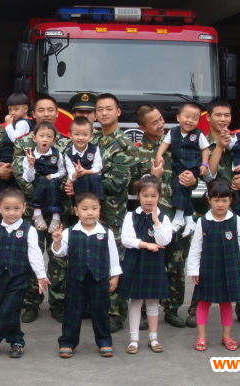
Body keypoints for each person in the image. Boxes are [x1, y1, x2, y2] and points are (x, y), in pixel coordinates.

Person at [190, 99, 240, 328]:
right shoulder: (202, 143)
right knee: (207, 257)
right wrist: (219, 146)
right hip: (217, 207)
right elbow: (208, 176)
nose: (223, 119)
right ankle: (195, 307)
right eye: (218, 115)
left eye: (227, 115)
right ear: (208, 117)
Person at [131, 104, 196, 329]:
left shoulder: (176, 143)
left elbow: (193, 167)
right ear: (142, 127)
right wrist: (151, 176)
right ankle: (140, 311)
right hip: (149, 219)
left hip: (176, 216)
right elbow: (131, 186)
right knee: (145, 265)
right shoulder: (137, 151)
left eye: (161, 119)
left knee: (176, 265)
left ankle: (172, 309)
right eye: (154, 122)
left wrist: (193, 179)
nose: (160, 125)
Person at [13, 96, 73, 324]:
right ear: (33, 114)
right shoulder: (22, 143)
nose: (46, 113)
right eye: (41, 110)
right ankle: (31, 303)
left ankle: (59, 303)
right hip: (32, 210)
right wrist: (42, 191)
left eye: (51, 110)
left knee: (60, 259)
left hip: (60, 209)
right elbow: (21, 177)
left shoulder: (66, 143)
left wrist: (61, 185)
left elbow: (69, 172)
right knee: (32, 256)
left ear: (58, 114)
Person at [85, 93, 139, 333]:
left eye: (108, 109)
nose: (103, 113)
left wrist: (83, 181)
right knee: (93, 261)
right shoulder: (92, 140)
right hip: (89, 214)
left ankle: (116, 313)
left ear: (118, 112)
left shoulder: (124, 144)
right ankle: (97, 306)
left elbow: (117, 182)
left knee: (114, 263)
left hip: (112, 214)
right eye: (99, 109)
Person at [0, 188, 50, 359]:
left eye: (16, 208)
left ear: (24, 207)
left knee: (9, 309)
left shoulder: (29, 230)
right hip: (1, 277)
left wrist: (41, 275)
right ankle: (16, 341)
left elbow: (35, 254)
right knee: (3, 310)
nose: (12, 213)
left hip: (20, 277)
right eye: (7, 208)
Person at [52, 191, 122, 358]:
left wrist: (115, 276)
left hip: (99, 279)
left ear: (99, 210)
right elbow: (60, 253)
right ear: (76, 211)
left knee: (101, 311)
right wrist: (57, 241)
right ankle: (68, 342)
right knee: (72, 312)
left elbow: (113, 256)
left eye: (94, 208)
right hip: (76, 279)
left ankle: (104, 341)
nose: (89, 213)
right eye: (84, 209)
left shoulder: (106, 232)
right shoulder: (70, 232)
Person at [186, 181, 240, 352]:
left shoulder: (235, 220)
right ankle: (201, 337)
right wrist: (194, 270)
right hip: (208, 268)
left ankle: (227, 336)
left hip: (229, 268)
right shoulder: (202, 222)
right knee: (203, 302)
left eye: (224, 200)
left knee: (226, 303)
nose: (220, 204)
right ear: (209, 200)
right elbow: (196, 247)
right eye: (216, 200)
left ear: (230, 200)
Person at [118, 176, 172, 354]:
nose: (149, 199)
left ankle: (153, 338)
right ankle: (133, 339)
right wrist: (147, 245)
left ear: (159, 196)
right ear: (138, 196)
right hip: (135, 262)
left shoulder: (163, 218)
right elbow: (126, 239)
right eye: (145, 195)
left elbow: (165, 240)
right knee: (135, 301)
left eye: (153, 196)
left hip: (154, 264)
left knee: (152, 302)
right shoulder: (131, 215)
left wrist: (156, 222)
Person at [155, 102, 210, 237]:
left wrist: (204, 164)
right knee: (181, 189)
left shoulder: (198, 134)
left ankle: (179, 217)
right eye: (187, 116)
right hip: (178, 166)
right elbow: (165, 144)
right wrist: (159, 154)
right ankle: (190, 220)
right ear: (178, 117)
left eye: (195, 118)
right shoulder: (173, 132)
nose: (190, 121)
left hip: (192, 167)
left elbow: (205, 149)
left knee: (181, 185)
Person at [0, 93, 35, 221]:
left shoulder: (22, 123)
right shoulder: (26, 122)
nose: (12, 112)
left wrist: (8, 124)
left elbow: (15, 139)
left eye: (16, 109)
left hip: (11, 155)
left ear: (25, 109)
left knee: (0, 181)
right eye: (10, 110)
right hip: (13, 155)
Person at [23, 122, 66, 233]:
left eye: (49, 136)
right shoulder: (29, 155)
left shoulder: (57, 154)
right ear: (34, 138)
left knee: (53, 182)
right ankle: (37, 214)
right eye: (41, 136)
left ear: (54, 140)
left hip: (53, 184)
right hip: (38, 184)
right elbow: (28, 178)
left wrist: (52, 176)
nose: (45, 139)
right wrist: (31, 165)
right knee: (41, 180)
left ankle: (56, 217)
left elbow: (62, 171)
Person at [65, 117, 103, 202]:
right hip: (79, 186)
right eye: (77, 134)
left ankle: (97, 206)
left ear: (90, 136)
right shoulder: (68, 154)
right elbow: (71, 174)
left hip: (94, 185)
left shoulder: (95, 149)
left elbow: (98, 168)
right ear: (70, 135)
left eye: (85, 134)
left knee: (95, 177)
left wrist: (85, 172)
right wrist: (77, 173)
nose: (81, 138)